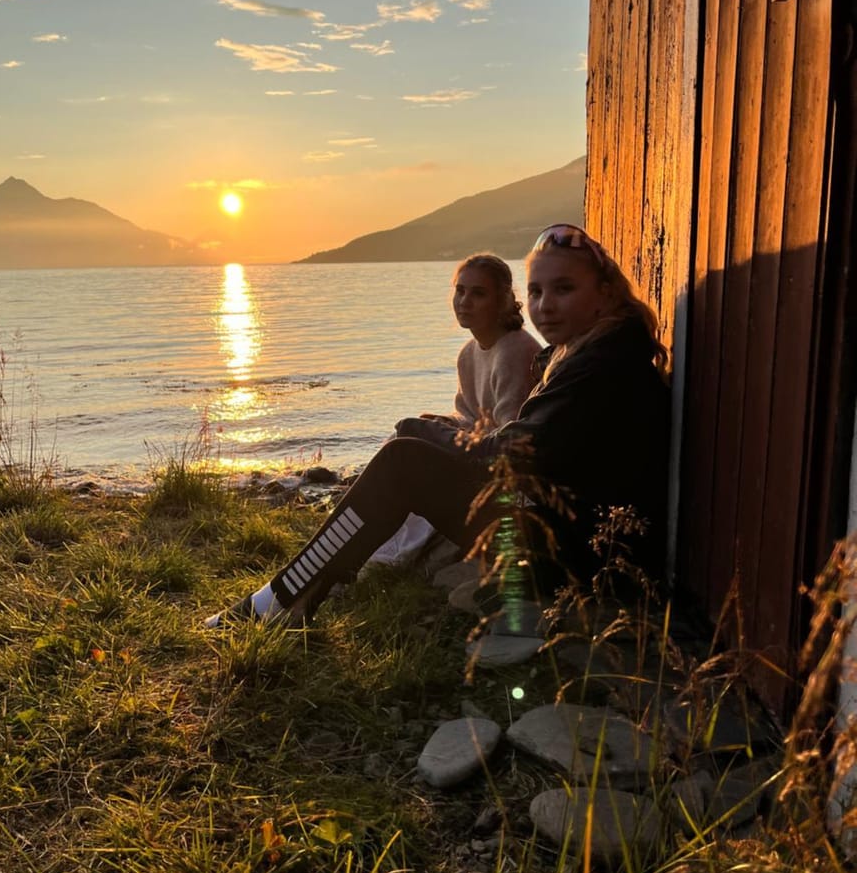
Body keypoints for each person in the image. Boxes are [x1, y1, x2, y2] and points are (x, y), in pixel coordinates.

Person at [206, 224, 670, 629]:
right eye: (536, 292)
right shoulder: (588, 350)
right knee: (410, 451)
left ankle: (286, 596)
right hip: (569, 540)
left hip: (581, 562)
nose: (544, 306)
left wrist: (434, 436)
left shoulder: (603, 365)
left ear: (605, 293)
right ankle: (302, 589)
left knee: (404, 460)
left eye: (564, 289)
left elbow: (512, 451)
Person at [364, 252, 539, 568]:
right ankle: (379, 544)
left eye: (478, 293)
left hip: (507, 479)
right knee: (409, 433)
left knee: (408, 434)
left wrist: (446, 435)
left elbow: (507, 437)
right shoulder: (469, 354)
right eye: (460, 290)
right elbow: (471, 416)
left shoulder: (515, 350)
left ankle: (388, 551)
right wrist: (447, 422)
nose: (465, 301)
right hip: (480, 454)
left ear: (502, 301)